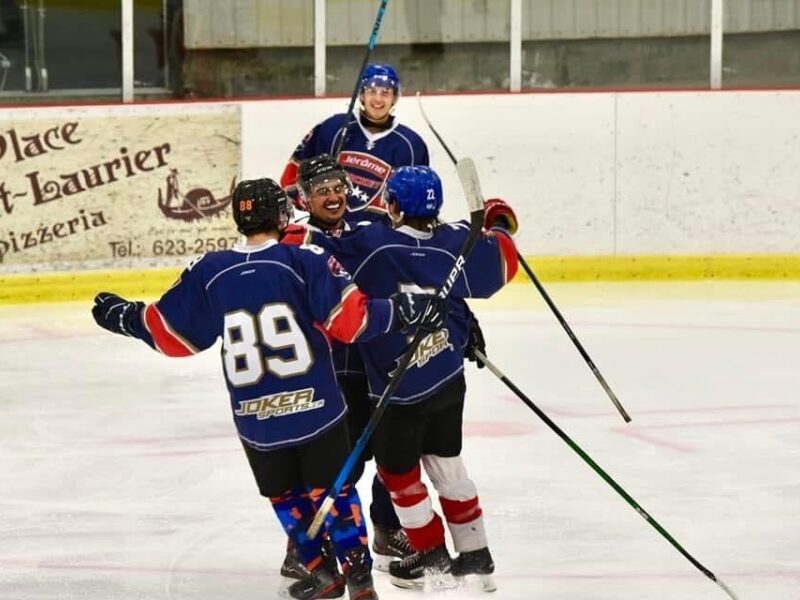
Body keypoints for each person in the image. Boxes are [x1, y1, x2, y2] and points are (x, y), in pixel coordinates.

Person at [90, 178, 448, 600]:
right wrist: (403, 312)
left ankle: (318, 573)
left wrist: (124, 316)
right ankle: (359, 578)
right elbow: (353, 323)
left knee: (285, 494)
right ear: (282, 215)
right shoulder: (305, 259)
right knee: (334, 491)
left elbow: (171, 335)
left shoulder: (211, 269)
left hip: (256, 417)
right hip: (317, 408)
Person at [282, 165, 519, 591]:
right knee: (449, 466)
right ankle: (476, 557)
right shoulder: (456, 243)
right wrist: (497, 221)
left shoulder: (372, 245)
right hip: (447, 376)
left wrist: (279, 220)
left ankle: (433, 560)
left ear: (390, 204)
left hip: (398, 389)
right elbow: (503, 260)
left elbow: (310, 248)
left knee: (400, 477)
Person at [287, 154, 414, 574]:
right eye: (321, 190)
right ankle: (308, 541)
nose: (333, 196)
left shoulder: (371, 227)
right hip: (329, 367)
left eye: (338, 187)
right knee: (341, 462)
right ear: (304, 198)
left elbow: (414, 261)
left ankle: (386, 525)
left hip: (378, 358)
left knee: (394, 449)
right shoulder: (295, 241)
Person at [280, 63, 429, 224]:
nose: (378, 99)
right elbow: (293, 175)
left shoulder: (412, 145)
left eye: (385, 93)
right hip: (329, 233)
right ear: (362, 94)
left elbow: (418, 200)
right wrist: (304, 201)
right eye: (372, 91)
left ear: (394, 98)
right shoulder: (333, 128)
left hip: (381, 240)